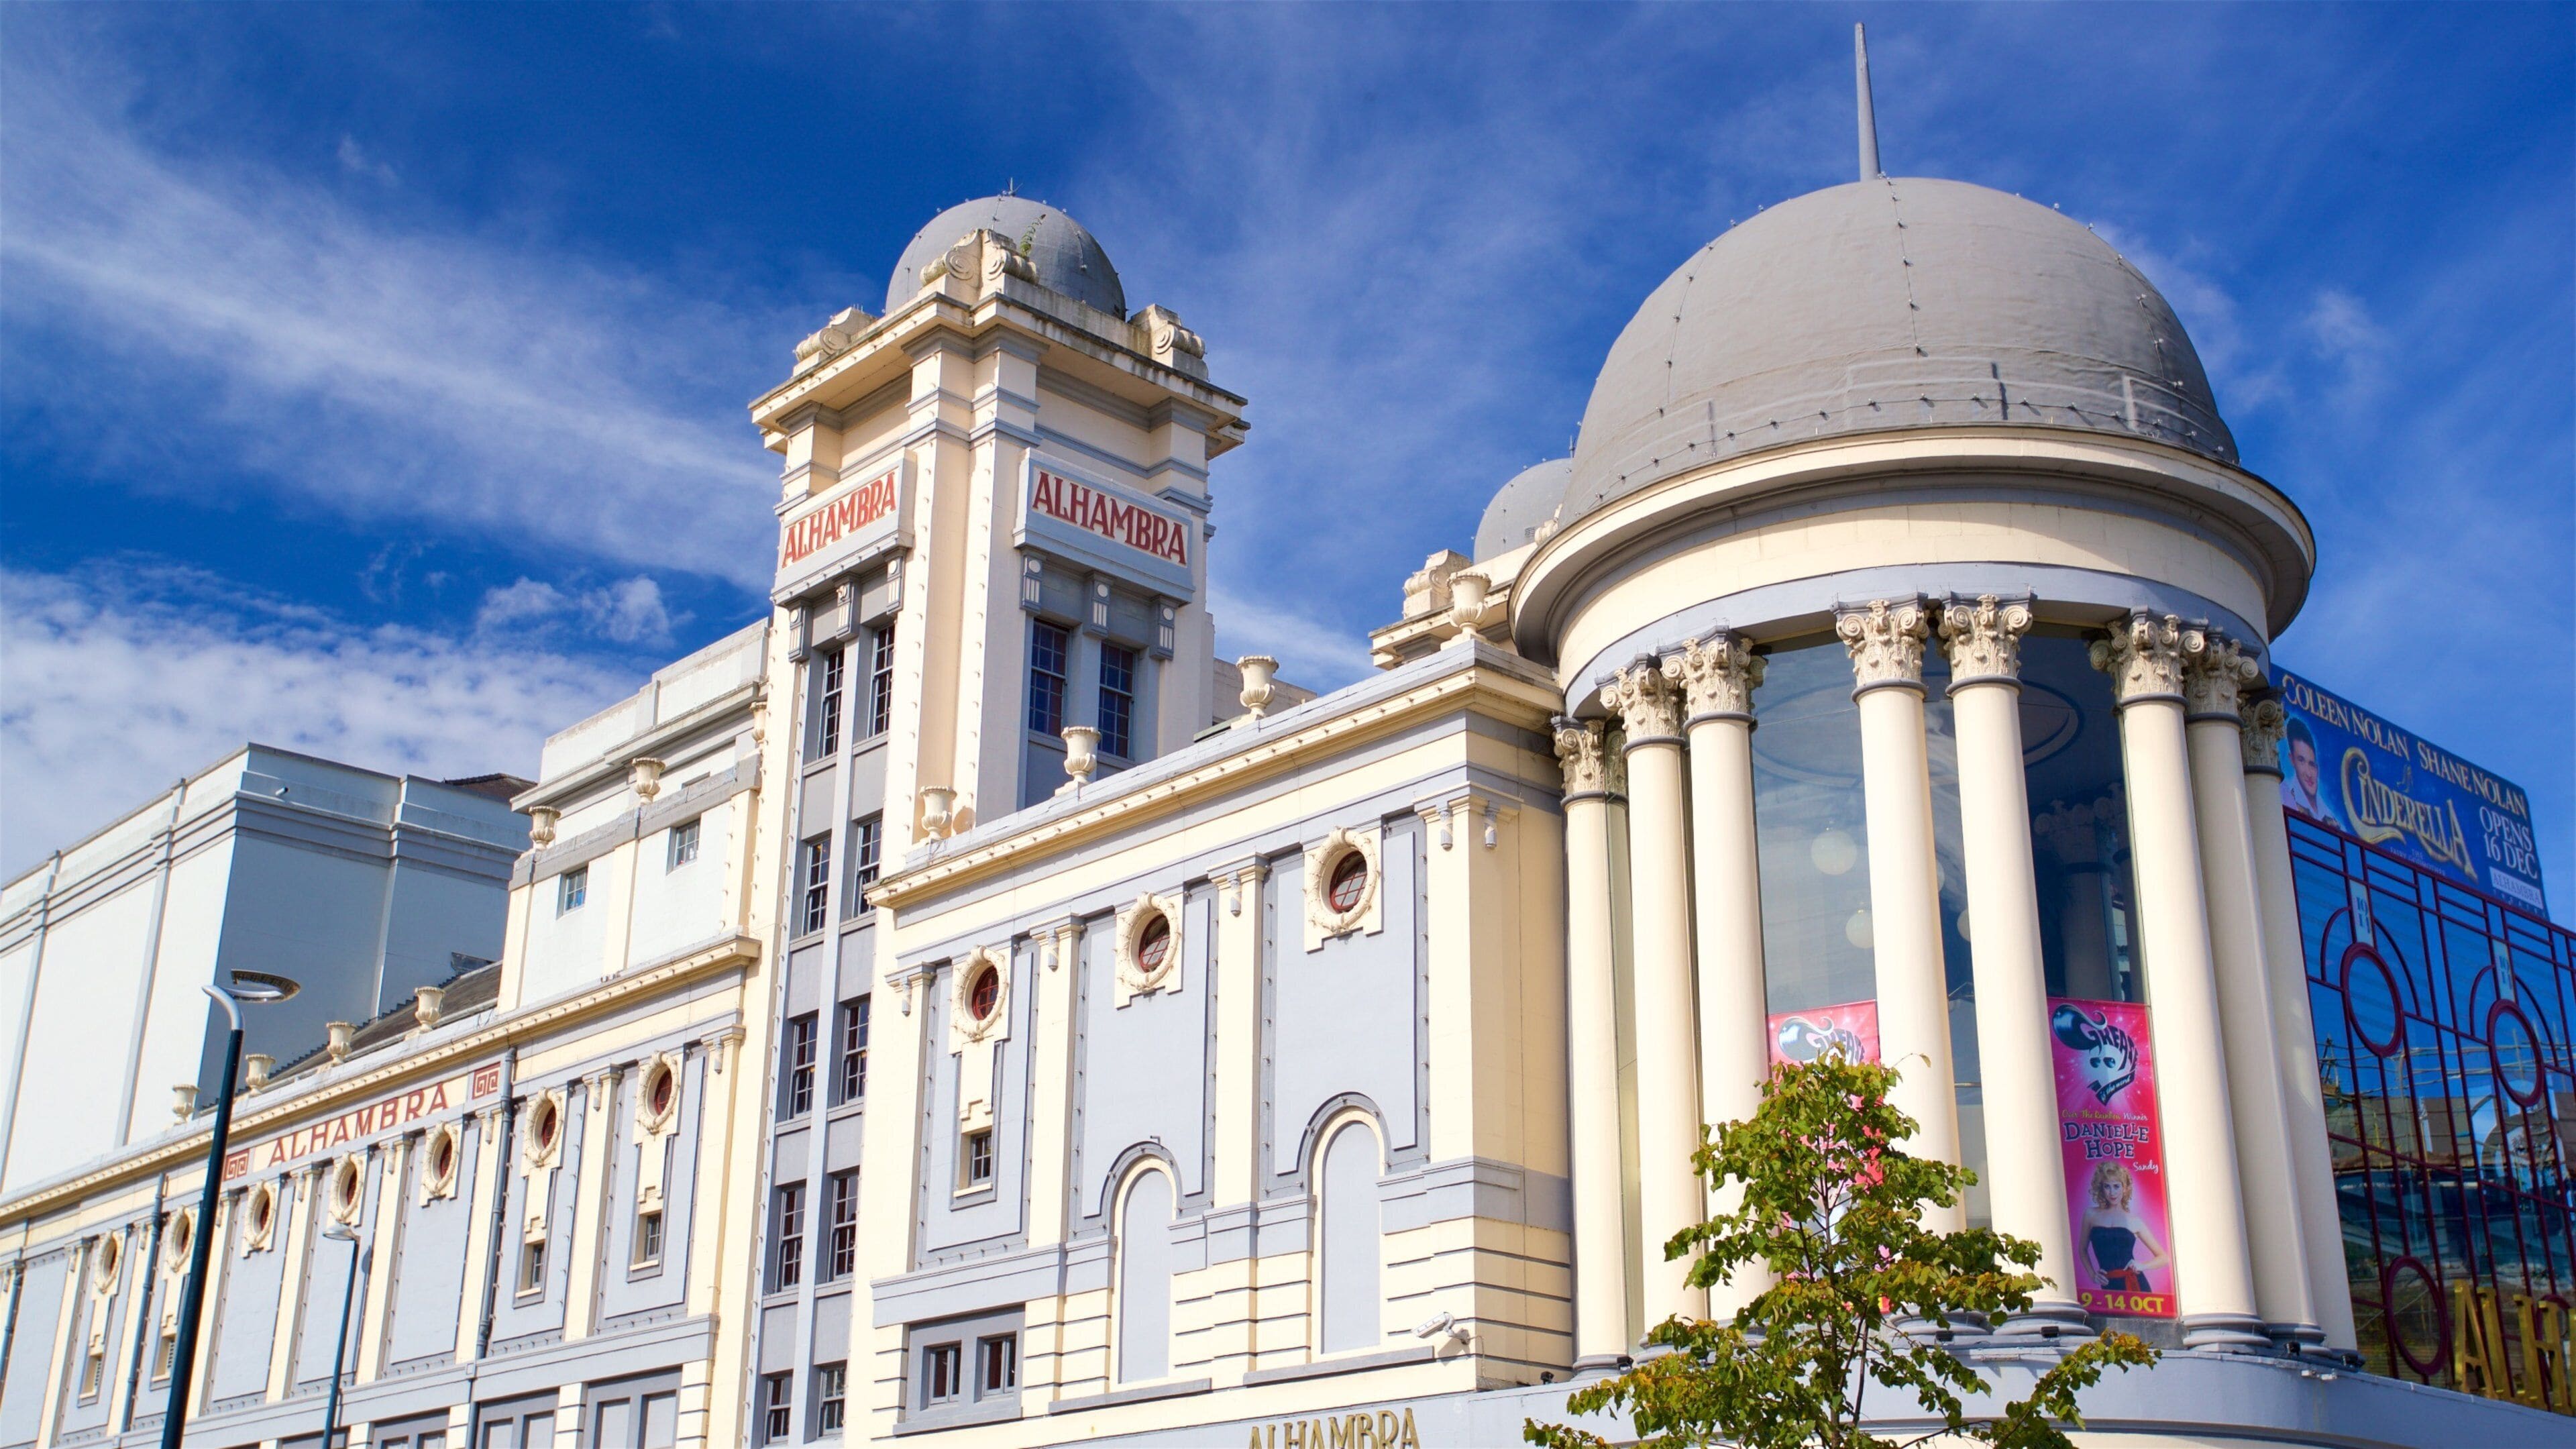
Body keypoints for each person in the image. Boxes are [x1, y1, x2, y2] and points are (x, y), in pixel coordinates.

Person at [2079, 1161, 2169, 1295]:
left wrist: (2142, 1266)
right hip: (2109, 1284)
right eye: (2107, 1187)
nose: (2112, 1192)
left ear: (2125, 1188)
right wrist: (2093, 1275)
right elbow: (2082, 1250)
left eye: (2116, 1186)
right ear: (2101, 1189)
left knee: (2141, 1317)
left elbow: (2164, 1257)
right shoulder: (2091, 1215)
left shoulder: (2135, 1221)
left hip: (2135, 1284)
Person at [2280, 717, 2340, 827]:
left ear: (2317, 768)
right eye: (2301, 761)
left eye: (2312, 764)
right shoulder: (2285, 798)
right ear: (2292, 760)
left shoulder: (2331, 818)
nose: (2309, 774)